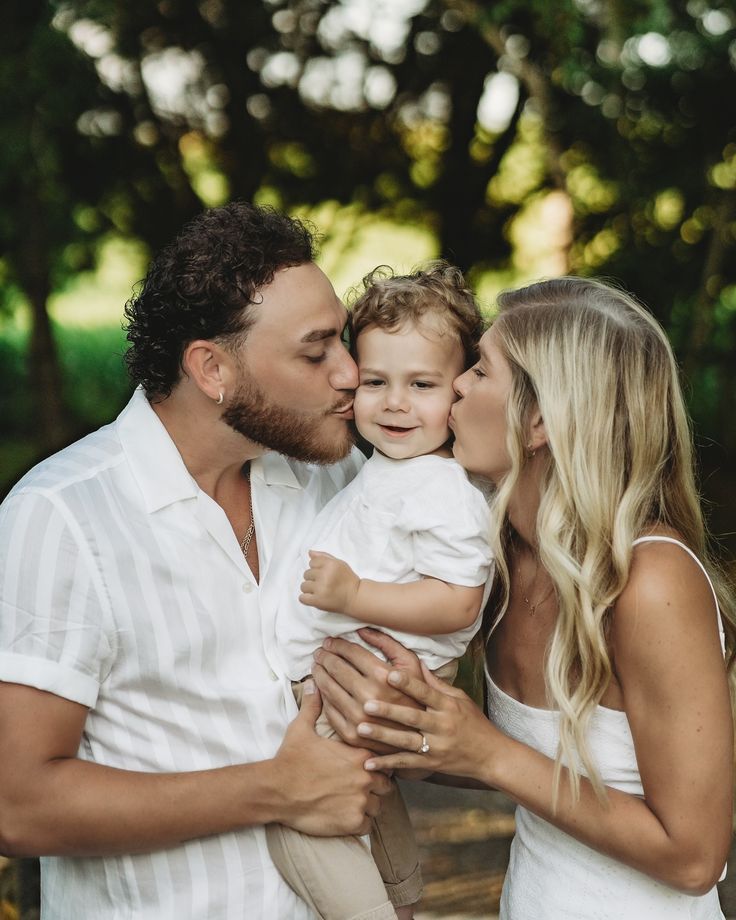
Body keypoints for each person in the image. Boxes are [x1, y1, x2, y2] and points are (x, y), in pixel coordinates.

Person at [0, 201, 394, 920]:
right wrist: (278, 787)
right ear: (211, 368)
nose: (350, 374)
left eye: (345, 340)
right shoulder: (61, 516)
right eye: (316, 353)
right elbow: (19, 803)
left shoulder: (332, 478)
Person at [311, 277, 735, 919]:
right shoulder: (502, 561)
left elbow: (694, 855)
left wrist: (484, 749)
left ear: (538, 420)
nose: (454, 385)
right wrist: (404, 730)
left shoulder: (650, 581)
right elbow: (525, 766)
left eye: (479, 370)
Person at [266, 265, 493, 920]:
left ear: (460, 390)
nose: (395, 403)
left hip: (384, 677)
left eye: (421, 385)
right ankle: (402, 898)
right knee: (363, 793)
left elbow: (457, 601)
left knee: (299, 820)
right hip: (360, 673)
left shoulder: (441, 487)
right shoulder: (388, 468)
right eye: (376, 382)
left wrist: (355, 594)